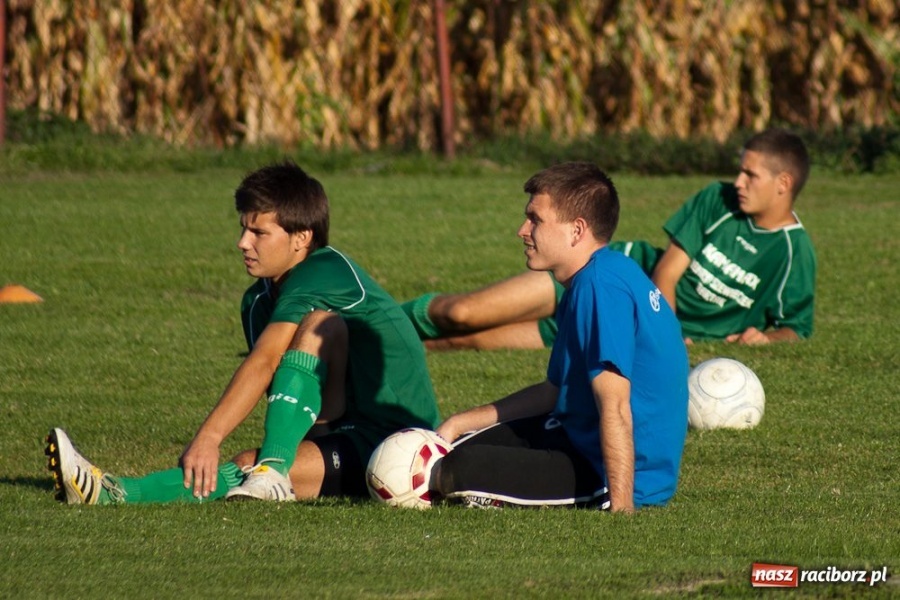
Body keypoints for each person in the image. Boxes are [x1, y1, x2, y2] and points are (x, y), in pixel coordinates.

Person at [45, 160, 440, 505]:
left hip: (399, 445)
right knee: (246, 465)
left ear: (301, 238)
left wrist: (209, 437)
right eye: (243, 229)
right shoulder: (257, 302)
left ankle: (267, 472)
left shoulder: (326, 269)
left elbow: (265, 361)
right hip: (341, 433)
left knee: (322, 325)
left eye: (259, 233)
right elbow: (287, 393)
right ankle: (111, 492)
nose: (242, 243)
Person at [403, 128, 816, 348]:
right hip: (595, 268)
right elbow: (667, 274)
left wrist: (765, 339)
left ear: (783, 183)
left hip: (621, 322)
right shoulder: (717, 199)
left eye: (750, 175)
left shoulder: (794, 253)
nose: (739, 181)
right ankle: (380, 321)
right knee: (463, 313)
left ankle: (387, 351)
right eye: (740, 171)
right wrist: (668, 339)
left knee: (468, 342)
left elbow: (795, 328)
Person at [431, 162, 689, 512]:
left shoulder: (600, 287)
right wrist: (458, 422)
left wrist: (621, 506)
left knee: (456, 471)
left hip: (607, 472)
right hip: (574, 434)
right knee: (444, 449)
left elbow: (614, 403)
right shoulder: (594, 276)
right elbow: (552, 392)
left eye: (535, 219)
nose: (522, 230)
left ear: (576, 230)